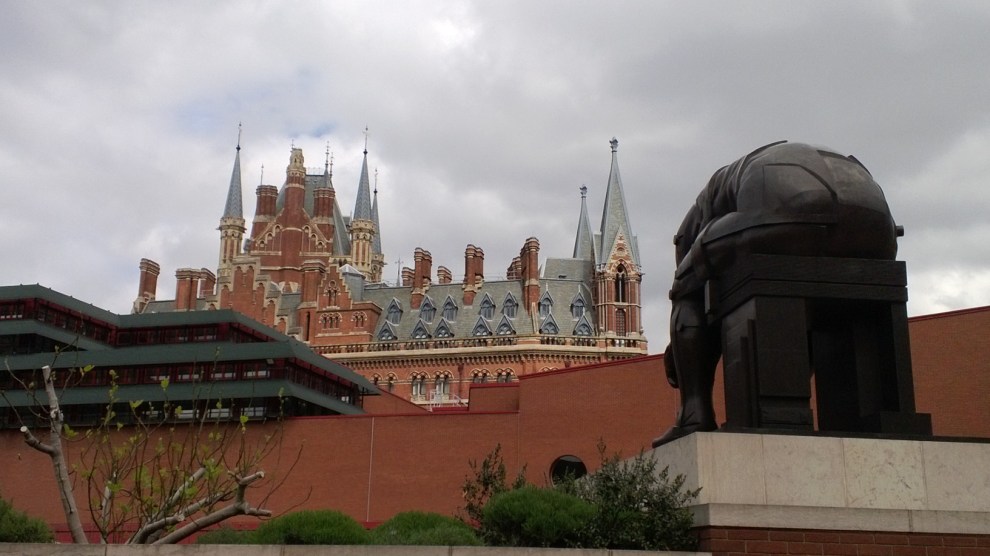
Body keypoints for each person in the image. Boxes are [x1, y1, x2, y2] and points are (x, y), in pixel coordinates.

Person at [653, 141, 900, 447]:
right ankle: (875, 409)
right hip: (875, 220)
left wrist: (682, 349)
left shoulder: (703, 208)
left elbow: (691, 267)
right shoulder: (744, 175)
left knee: (684, 285)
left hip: (793, 200)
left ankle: (693, 416)